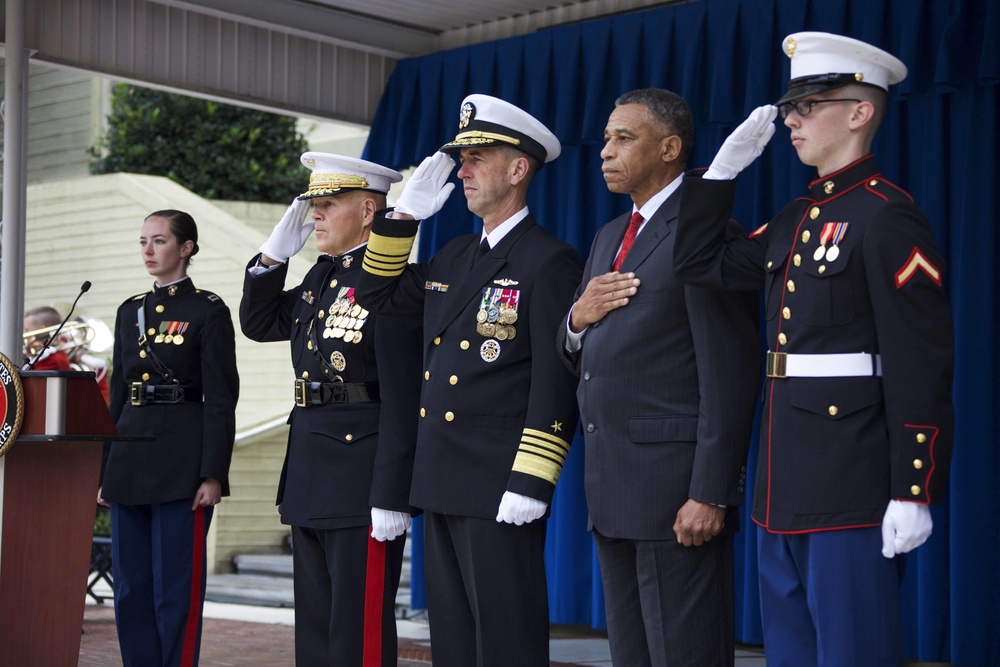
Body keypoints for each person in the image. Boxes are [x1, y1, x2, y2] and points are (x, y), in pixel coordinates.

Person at [674, 32, 954, 666]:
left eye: (810, 104)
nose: (792, 119)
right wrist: (720, 178)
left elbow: (920, 360)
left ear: (859, 112)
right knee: (791, 653)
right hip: (784, 473)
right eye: (790, 106)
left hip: (852, 476)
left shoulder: (887, 217)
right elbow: (698, 264)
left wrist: (914, 487)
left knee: (854, 651)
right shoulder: (798, 215)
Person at [355, 94, 582, 667]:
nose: (463, 170)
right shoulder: (455, 255)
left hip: (498, 479)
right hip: (441, 474)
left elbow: (556, 376)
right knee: (453, 639)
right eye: (463, 158)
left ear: (518, 168)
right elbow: (376, 297)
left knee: (505, 636)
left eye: (479, 157)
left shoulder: (547, 260)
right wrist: (401, 220)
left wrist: (533, 479)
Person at [555, 88, 761, 667]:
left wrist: (710, 490)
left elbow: (730, 370)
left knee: (684, 653)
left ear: (670, 148)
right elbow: (578, 353)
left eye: (624, 138)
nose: (605, 151)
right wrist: (576, 318)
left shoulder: (705, 232)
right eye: (605, 139)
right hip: (613, 484)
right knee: (632, 654)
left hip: (676, 492)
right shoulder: (607, 237)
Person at [240, 152, 422, 666]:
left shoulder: (395, 285)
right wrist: (273, 256)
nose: (314, 214)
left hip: (362, 472)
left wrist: (392, 491)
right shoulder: (321, 279)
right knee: (315, 627)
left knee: (356, 629)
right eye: (312, 204)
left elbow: (404, 397)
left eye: (327, 203)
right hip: (310, 468)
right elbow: (258, 322)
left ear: (369, 211)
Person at [99, 209, 239, 667]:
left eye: (159, 241)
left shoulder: (209, 311)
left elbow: (220, 398)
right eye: (143, 241)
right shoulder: (129, 311)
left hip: (183, 462)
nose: (147, 250)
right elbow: (117, 394)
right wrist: (104, 470)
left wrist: (212, 473)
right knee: (131, 588)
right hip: (130, 456)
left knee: (175, 587)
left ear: (186, 248)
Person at [22, 305, 72, 370]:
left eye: (26, 330)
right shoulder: (52, 355)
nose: (24, 334)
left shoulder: (51, 359)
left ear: (41, 330)